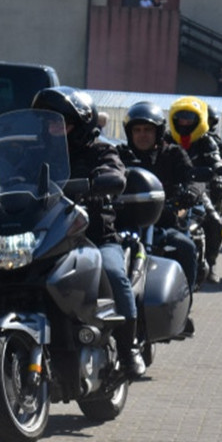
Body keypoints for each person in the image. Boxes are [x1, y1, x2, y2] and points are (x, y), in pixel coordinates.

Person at [31, 87, 145, 378]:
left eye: (62, 123)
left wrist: (104, 179)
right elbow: (10, 174)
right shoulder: (34, 152)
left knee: (114, 273)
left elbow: (114, 172)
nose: (54, 129)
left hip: (93, 237)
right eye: (49, 123)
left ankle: (128, 348)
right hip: (47, 237)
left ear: (81, 125)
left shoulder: (101, 150)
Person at [117, 100, 201, 295]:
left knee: (186, 247)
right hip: (125, 223)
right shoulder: (120, 155)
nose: (142, 135)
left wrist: (191, 192)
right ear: (130, 133)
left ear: (158, 132)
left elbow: (192, 178)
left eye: (148, 129)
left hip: (164, 222)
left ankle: (185, 300)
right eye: (137, 130)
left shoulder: (173, 153)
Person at [168, 97, 222, 284]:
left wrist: (218, 166)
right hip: (170, 188)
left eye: (190, 118)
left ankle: (212, 262)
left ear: (199, 119)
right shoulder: (167, 138)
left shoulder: (206, 141)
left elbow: (214, 157)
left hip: (198, 188)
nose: (185, 122)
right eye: (181, 117)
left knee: (216, 223)